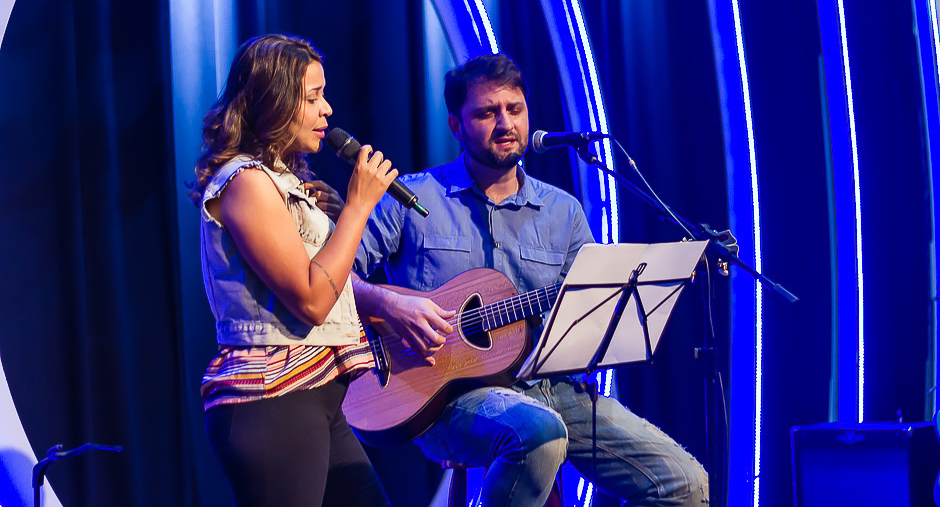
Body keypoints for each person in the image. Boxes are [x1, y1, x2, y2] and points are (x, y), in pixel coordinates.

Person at [351, 53, 708, 506]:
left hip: (551, 389)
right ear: (456, 125)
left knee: (685, 483)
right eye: (487, 112)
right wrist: (391, 305)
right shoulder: (411, 197)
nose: (505, 123)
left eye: (514, 109)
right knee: (538, 432)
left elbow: (591, 312)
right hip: (445, 397)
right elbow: (335, 279)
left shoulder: (563, 211)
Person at [189, 34, 395, 507]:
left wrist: (336, 221)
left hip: (316, 389)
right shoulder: (246, 182)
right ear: (275, 102)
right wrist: (358, 208)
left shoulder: (284, 182)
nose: (328, 109)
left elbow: (328, 284)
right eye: (313, 97)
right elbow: (311, 299)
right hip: (272, 398)